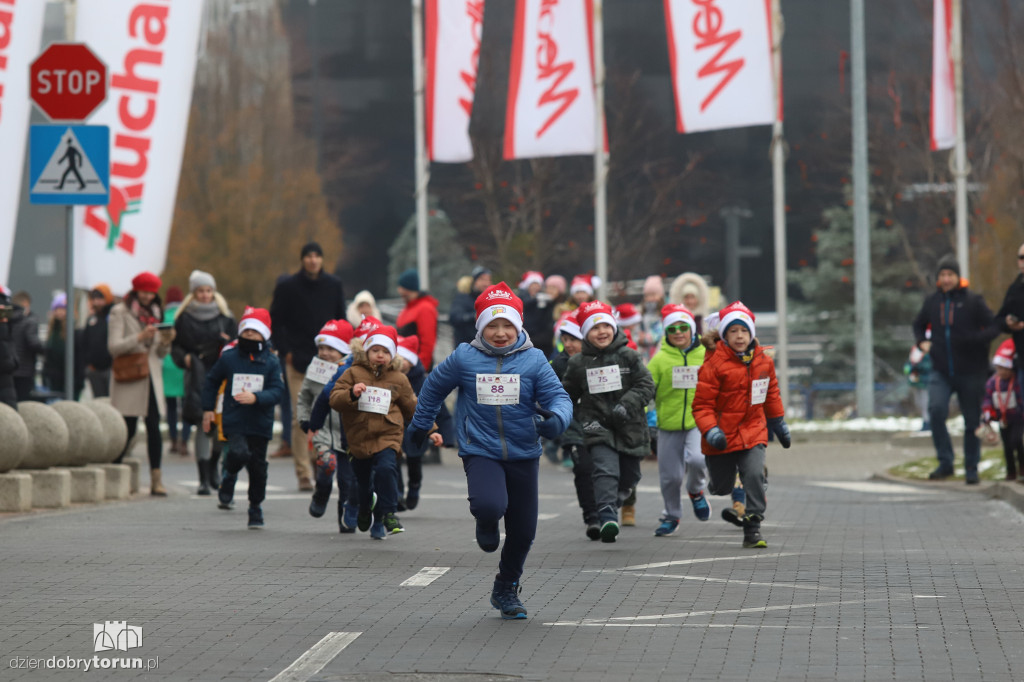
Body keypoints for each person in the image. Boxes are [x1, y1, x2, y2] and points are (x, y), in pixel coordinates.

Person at [410, 282, 572, 619]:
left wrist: (557, 420)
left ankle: (506, 587)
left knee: (524, 530)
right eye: (492, 326)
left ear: (519, 326)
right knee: (489, 504)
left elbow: (559, 398)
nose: (500, 333)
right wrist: (420, 426)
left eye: (507, 326)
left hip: (524, 451)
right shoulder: (464, 357)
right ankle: (485, 520)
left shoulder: (534, 360)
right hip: (480, 447)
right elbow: (432, 388)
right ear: (481, 326)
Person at [330, 325, 441, 539]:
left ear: (392, 355)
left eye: (386, 351)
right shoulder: (352, 373)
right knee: (363, 484)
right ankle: (364, 509)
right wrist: (352, 393)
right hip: (359, 438)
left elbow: (412, 407)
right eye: (375, 350)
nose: (380, 355)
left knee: (386, 469)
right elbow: (335, 399)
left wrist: (431, 430)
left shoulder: (399, 379)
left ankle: (388, 514)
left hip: (388, 435)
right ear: (366, 351)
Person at [694, 301, 789, 548]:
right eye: (733, 331)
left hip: (753, 429)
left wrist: (778, 422)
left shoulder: (763, 362)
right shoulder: (713, 364)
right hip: (721, 435)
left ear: (751, 334)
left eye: (744, 331)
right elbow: (702, 405)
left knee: (755, 472)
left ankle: (753, 524)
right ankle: (725, 483)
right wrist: (711, 430)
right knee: (720, 486)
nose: (739, 336)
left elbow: (771, 393)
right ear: (724, 335)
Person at [561, 300, 655, 543]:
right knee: (605, 469)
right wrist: (555, 412)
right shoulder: (578, 363)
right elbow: (567, 393)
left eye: (605, 326)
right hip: (596, 424)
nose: (601, 331)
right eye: (594, 327)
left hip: (630, 426)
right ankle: (607, 515)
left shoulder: (629, 356)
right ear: (585, 334)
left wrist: (627, 405)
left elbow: (646, 385)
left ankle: (617, 498)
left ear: (614, 327)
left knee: (630, 476)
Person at [912, 255, 999, 483]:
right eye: (943, 275)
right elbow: (918, 325)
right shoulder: (933, 302)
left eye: (950, 274)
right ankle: (945, 462)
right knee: (936, 410)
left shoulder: (972, 301)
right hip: (941, 370)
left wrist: (976, 340)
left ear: (958, 277)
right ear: (938, 279)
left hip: (971, 371)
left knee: (972, 421)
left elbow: (994, 327)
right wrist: (923, 342)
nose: (946, 279)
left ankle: (971, 467)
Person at [269, 241, 347, 490]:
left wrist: (342, 353)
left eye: (317, 256)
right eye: (308, 256)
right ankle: (303, 471)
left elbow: (341, 319)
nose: (313, 260)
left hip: (328, 361)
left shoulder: (333, 285)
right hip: (299, 361)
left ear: (322, 260)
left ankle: (319, 460)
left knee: (327, 412)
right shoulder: (288, 287)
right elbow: (275, 321)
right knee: (298, 415)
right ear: (302, 260)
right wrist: (285, 351)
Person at [202, 307, 285, 529]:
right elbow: (211, 381)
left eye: (254, 332)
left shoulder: (271, 362)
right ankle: (228, 478)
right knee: (237, 453)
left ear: (264, 335)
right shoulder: (229, 358)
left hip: (260, 423)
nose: (249, 336)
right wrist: (208, 409)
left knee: (258, 468)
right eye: (246, 332)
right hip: (235, 419)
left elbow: (278, 391)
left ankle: (255, 508)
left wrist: (256, 398)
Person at [108, 271, 175, 496]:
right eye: (144, 291)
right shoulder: (120, 312)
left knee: (154, 426)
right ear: (136, 290)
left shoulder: (157, 313)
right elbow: (114, 347)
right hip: (129, 376)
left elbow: (160, 353)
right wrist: (139, 337)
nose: (148, 296)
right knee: (127, 427)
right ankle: (114, 473)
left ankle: (157, 478)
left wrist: (166, 342)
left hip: (151, 378)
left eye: (151, 292)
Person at [647, 304, 711, 536]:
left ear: (693, 330)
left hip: (698, 421)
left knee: (697, 460)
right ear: (666, 333)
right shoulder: (659, 359)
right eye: (672, 328)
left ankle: (696, 491)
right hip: (668, 424)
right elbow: (646, 389)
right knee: (670, 477)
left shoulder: (705, 355)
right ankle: (672, 515)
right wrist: (646, 413)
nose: (678, 332)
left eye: (684, 327)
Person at [171, 270, 236, 495]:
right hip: (197, 374)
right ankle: (202, 477)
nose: (206, 295)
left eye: (209, 290)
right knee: (201, 422)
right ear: (194, 293)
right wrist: (185, 358)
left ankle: (213, 469)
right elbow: (176, 347)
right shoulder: (184, 318)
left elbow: (235, 343)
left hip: (221, 374)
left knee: (219, 422)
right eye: (201, 291)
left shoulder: (225, 317)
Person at [299, 319, 357, 532]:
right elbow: (304, 396)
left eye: (330, 348)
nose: (324, 353)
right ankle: (321, 493)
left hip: (347, 433)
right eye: (321, 348)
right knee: (326, 463)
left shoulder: (353, 370)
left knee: (346, 481)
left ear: (343, 349)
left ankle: (345, 520)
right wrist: (304, 419)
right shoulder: (315, 368)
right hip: (322, 430)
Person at [550, 310, 599, 538]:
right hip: (573, 425)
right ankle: (592, 517)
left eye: (574, 339)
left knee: (605, 469)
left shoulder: (600, 360)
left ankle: (611, 504)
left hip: (600, 424)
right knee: (582, 469)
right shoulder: (556, 364)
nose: (569, 345)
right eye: (565, 340)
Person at [983, 339, 1024, 481]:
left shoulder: (1017, 381)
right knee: (1007, 446)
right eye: (999, 368)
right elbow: (987, 399)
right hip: (1003, 419)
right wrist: (988, 413)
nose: (1002, 372)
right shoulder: (993, 382)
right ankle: (1010, 471)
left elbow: (1020, 398)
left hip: (1017, 418)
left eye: (1005, 368)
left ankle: (1022, 467)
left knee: (1016, 441)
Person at [162, 286, 189, 455]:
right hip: (183, 364)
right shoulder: (185, 317)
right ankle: (184, 441)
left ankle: (172, 439)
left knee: (171, 407)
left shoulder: (163, 317)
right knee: (186, 406)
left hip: (167, 364)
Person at [395, 269, 439, 369]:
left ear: (407, 288)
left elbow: (427, 343)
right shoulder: (408, 308)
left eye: (401, 287)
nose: (399, 290)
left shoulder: (425, 308)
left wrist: (421, 368)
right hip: (405, 366)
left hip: (414, 368)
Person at [9, 291, 43, 401]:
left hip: (9, 369)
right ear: (25, 303)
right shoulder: (30, 321)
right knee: (24, 403)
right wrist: (46, 350)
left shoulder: (6, 320)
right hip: (25, 371)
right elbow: (34, 343)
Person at [82, 285, 115, 398]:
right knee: (99, 401)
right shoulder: (91, 319)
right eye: (94, 299)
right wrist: (88, 363)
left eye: (100, 298)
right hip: (94, 369)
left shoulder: (114, 317)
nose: (96, 302)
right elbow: (85, 342)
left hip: (110, 368)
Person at [450, 266, 492, 346]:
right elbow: (454, 318)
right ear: (474, 281)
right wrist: (473, 316)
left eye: (488, 280)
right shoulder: (462, 298)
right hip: (466, 347)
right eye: (482, 279)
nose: (486, 283)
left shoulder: (490, 299)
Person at [521, 271, 556, 355]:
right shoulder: (522, 301)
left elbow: (548, 324)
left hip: (543, 343)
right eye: (532, 284)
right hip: (527, 341)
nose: (535, 287)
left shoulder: (547, 302)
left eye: (537, 284)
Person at [903, 335, 933, 431]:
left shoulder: (931, 353)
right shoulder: (916, 352)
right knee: (919, 403)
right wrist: (908, 368)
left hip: (926, 383)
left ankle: (928, 423)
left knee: (926, 403)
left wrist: (918, 367)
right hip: (916, 382)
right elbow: (910, 363)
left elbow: (929, 366)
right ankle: (925, 421)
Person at [638, 276, 666, 359]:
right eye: (647, 295)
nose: (650, 298)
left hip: (658, 351)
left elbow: (660, 333)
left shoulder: (662, 314)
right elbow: (638, 333)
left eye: (653, 295)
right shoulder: (642, 314)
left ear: (661, 295)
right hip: (645, 354)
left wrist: (645, 338)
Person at [0, 286, 17, 409]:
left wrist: (13, 361)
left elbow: (9, 336)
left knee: (10, 416)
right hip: (6, 366)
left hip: (6, 370)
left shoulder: (5, 302)